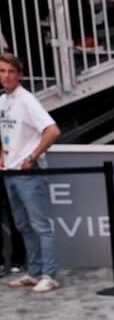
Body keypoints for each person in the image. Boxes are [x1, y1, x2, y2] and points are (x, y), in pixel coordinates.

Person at [1, 51, 60, 293]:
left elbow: (52, 130)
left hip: (28, 173)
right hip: (10, 172)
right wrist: (3, 156)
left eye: (11, 71)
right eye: (2, 71)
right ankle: (34, 272)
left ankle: (49, 274)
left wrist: (32, 157)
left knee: (40, 225)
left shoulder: (27, 100)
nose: (6, 76)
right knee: (23, 225)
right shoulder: (2, 101)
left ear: (20, 75)